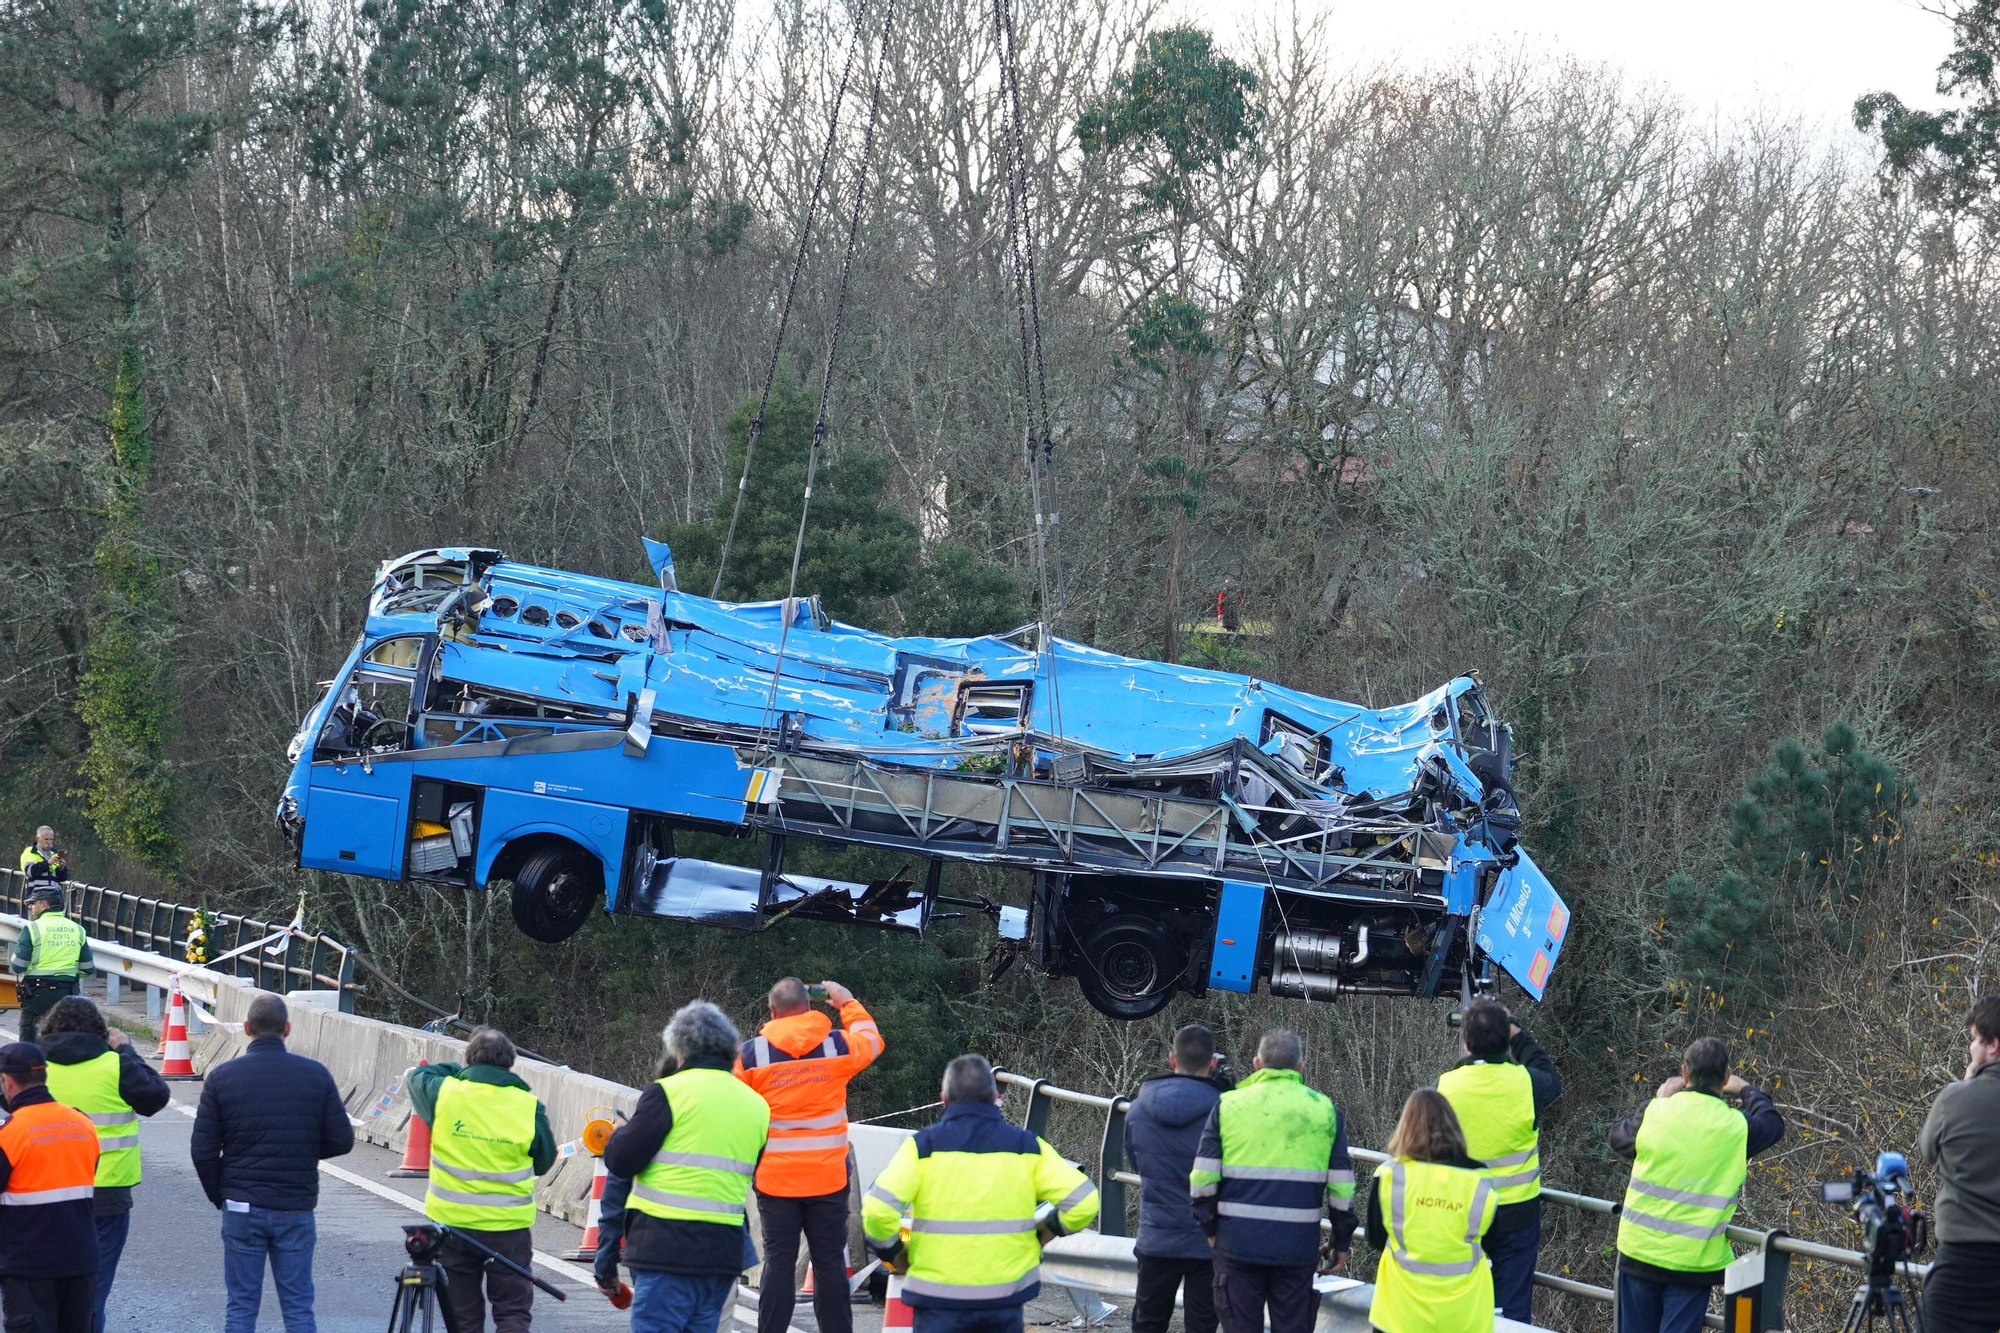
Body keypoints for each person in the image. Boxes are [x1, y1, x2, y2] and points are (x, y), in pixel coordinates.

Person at [862, 1054, 1100, 1333]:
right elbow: (1084, 1201)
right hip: (1004, 1299)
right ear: (994, 1097)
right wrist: (1047, 1229)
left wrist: (895, 1253)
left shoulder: (922, 1147)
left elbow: (877, 1210)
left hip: (938, 1300)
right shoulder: (1027, 1147)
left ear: (944, 1099)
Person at [601, 1000, 772, 1333]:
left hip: (666, 1249)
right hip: (722, 1252)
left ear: (679, 1050)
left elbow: (622, 1161)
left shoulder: (667, 1093)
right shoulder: (757, 1105)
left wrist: (621, 1135)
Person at [190, 991, 356, 1333]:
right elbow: (342, 1140)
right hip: (294, 1204)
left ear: (247, 1028)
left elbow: (203, 1150)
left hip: (240, 1204)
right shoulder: (315, 1075)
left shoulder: (222, 1078)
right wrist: (300, 1151)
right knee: (297, 1307)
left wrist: (222, 1194)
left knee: (241, 1306)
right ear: (288, 1029)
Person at [735, 977, 884, 1333]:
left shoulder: (750, 1055)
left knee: (779, 1263)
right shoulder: (837, 1047)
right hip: (828, 1179)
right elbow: (872, 1040)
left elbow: (732, 1105)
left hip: (776, 1182)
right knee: (830, 1262)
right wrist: (847, 1001)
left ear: (772, 1011)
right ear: (810, 1006)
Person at [1608, 1037, 1784, 1333]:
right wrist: (1746, 1090)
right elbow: (1772, 1123)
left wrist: (1659, 1099)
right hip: (1692, 1265)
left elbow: (1618, 1138)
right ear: (1726, 1077)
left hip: (1638, 1254)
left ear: (1684, 1074)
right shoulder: (1736, 1128)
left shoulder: (1656, 1113)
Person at [1191, 1029, 1355, 1333]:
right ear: (1300, 1068)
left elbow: (1202, 1179)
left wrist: (1210, 1229)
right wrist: (1340, 1241)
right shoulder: (1325, 1111)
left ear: (1256, 1064)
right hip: (1296, 1248)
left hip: (1237, 1245)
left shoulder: (1228, 1105)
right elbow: (1342, 1188)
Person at [409, 1028, 559, 1333]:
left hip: (452, 1227)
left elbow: (418, 1076)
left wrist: (459, 1071)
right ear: (510, 1063)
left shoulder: (445, 1092)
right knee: (512, 1311)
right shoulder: (527, 1105)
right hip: (507, 1229)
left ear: (469, 1059)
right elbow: (544, 1161)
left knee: (463, 1316)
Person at [40, 996, 171, 1333]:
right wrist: (126, 1049)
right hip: (106, 1193)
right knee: (92, 1292)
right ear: (100, 1031)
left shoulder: (36, 1065)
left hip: (45, 1192)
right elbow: (156, 1096)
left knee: (45, 1290)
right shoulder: (116, 1065)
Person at [1434, 998, 1560, 1325]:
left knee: (1459, 1298)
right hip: (1516, 1213)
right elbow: (1549, 1074)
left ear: (1465, 1041)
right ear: (1506, 1039)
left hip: (1460, 1211)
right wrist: (1518, 1033)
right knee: (1512, 1309)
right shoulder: (1526, 1082)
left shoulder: (1446, 1086)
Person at [1124, 1023, 1230, 1333]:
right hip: (1207, 1239)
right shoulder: (1225, 1110)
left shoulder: (1138, 1108)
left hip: (1156, 1236)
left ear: (1173, 1060)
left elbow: (1137, 1162)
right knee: (1202, 1325)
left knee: (1148, 1322)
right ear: (1212, 1063)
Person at [1365, 1089, 1498, 1333]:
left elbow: (1374, 1238)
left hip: (1399, 1314)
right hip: (1464, 1315)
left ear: (1406, 1125)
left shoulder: (1389, 1175)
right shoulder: (1480, 1178)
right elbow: (1493, 1240)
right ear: (1453, 1125)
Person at [0, 1041, 101, 1333]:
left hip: (29, 1266)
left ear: (7, 1082)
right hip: (80, 1261)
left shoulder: (11, 1134)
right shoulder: (83, 1123)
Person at [1915, 995, 2000, 1333]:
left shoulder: (1955, 1098)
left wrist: (1968, 1085)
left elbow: (1926, 1149)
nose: (1970, 1048)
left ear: (1993, 1045)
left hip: (1964, 1262)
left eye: (1974, 1039)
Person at [10, 882, 93, 1047]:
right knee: (65, 1042)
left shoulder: (33, 929)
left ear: (44, 904)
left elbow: (18, 966)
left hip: (37, 994)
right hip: (68, 993)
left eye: (33, 903)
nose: (31, 908)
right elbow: (87, 968)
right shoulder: (77, 929)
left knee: (30, 1045)